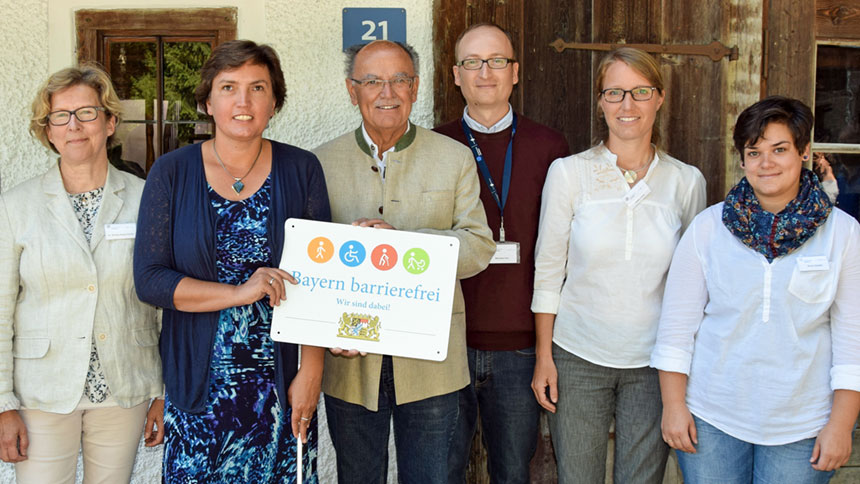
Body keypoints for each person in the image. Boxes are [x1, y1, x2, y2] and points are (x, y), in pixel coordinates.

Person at [133, 40, 331, 483]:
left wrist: (311, 369)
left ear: (274, 101)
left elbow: (320, 280)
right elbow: (150, 280)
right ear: (207, 100)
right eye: (228, 87)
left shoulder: (302, 170)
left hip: (280, 384)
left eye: (257, 87)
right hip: (197, 385)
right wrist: (240, 293)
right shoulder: (170, 172)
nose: (243, 101)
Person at [313, 40, 495, 484]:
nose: (386, 92)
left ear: (415, 88)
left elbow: (478, 246)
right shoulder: (318, 163)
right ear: (351, 90)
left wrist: (406, 247)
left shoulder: (453, 158)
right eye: (372, 81)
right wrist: (321, 331)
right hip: (351, 360)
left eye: (398, 80)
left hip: (432, 361)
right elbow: (308, 265)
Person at [652, 96, 860, 483]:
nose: (766, 163)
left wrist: (841, 424)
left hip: (803, 425)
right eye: (755, 151)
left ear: (803, 153)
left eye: (779, 149)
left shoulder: (843, 235)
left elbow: (853, 339)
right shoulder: (708, 228)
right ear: (743, 159)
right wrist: (674, 406)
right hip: (712, 418)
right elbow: (677, 329)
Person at [530, 47, 706, 483]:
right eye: (615, 92)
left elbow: (693, 287)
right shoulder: (569, 173)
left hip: (653, 363)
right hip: (577, 355)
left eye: (640, 92)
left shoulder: (686, 182)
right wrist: (543, 356)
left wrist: (683, 368)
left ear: (659, 98)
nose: (627, 105)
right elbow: (549, 270)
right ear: (600, 100)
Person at [0, 64, 163, 483]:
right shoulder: (15, 207)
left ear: (109, 122)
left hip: (124, 386)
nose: (74, 126)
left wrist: (163, 393)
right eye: (61, 116)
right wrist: (2, 402)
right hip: (41, 392)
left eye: (87, 113)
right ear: (48, 130)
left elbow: (164, 299)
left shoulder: (146, 199)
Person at [433, 23, 570, 484]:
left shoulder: (551, 148)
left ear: (515, 72)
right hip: (445, 344)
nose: (484, 72)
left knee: (513, 473)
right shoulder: (436, 145)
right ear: (456, 74)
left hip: (520, 348)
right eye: (472, 62)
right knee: (439, 471)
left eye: (496, 61)